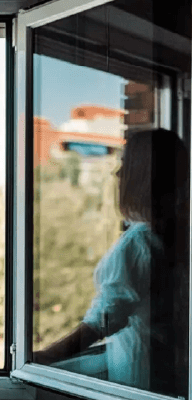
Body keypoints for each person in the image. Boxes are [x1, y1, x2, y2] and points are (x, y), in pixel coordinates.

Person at [33, 128, 189, 396]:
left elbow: (101, 322)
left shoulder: (139, 242)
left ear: (142, 175)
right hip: (169, 380)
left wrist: (40, 358)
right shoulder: (178, 234)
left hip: (139, 387)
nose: (116, 174)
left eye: (125, 164)